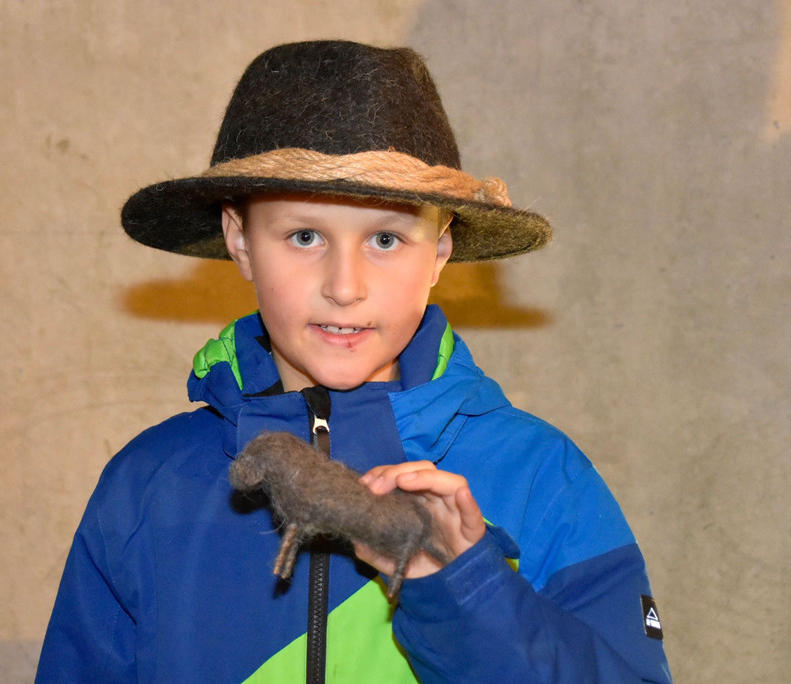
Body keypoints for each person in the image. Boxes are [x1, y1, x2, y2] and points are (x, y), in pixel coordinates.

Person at [36, 40, 672, 683]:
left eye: (386, 238)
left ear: (440, 251)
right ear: (240, 240)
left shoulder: (542, 477)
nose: (345, 287)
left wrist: (465, 587)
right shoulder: (146, 484)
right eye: (305, 236)